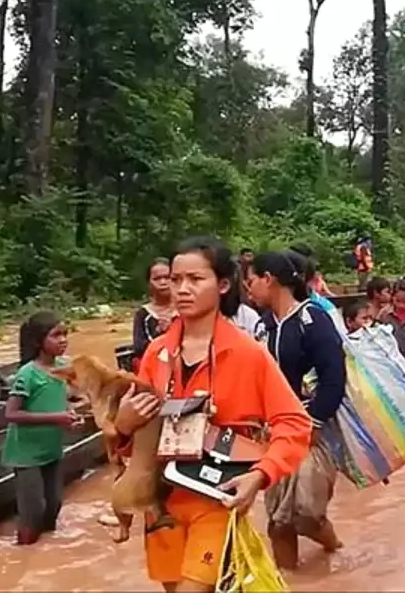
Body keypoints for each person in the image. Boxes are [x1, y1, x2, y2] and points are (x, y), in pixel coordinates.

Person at [114, 237, 312, 590]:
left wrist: (261, 475)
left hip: (216, 496)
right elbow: (135, 443)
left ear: (223, 285)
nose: (182, 290)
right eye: (176, 280)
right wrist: (124, 426)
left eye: (195, 279)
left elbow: (294, 423)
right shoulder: (156, 354)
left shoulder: (248, 353)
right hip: (162, 501)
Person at [248, 249, 347, 569]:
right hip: (273, 432)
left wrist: (314, 422)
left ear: (269, 280)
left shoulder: (312, 319)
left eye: (251, 281)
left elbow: (334, 378)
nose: (248, 289)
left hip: (311, 430)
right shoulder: (264, 326)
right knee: (278, 522)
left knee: (306, 514)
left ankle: (334, 548)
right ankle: (288, 582)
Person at [3, 310, 83, 545]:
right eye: (56, 335)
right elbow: (11, 413)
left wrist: (71, 416)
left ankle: (44, 555)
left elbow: (63, 399)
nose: (63, 340)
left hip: (51, 449)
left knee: (54, 507)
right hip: (26, 454)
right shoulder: (27, 374)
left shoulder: (64, 368)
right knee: (32, 512)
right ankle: (24, 554)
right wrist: (56, 418)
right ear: (39, 342)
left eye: (65, 334)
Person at [132, 258, 176, 363]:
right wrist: (159, 332)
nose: (163, 282)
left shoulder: (186, 308)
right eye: (157, 279)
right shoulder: (143, 314)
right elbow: (139, 349)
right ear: (149, 283)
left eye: (167, 277)